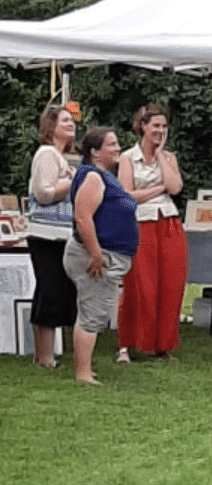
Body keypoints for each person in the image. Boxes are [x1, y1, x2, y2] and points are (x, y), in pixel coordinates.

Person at [63, 127, 138, 384]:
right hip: (96, 255)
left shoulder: (104, 177)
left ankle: (85, 370)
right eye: (112, 144)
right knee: (92, 313)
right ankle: (83, 374)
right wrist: (95, 255)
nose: (118, 148)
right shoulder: (94, 178)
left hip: (106, 254)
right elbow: (83, 217)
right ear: (95, 152)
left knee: (95, 311)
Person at [116, 104, 188, 361]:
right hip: (139, 224)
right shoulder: (127, 157)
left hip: (168, 222)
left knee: (170, 285)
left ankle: (163, 344)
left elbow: (175, 187)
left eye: (164, 126)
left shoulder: (168, 158)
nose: (159, 130)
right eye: (155, 125)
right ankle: (128, 343)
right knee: (139, 284)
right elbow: (127, 196)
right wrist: (159, 189)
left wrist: (159, 154)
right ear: (143, 126)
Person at [27, 105, 77, 368]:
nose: (72, 124)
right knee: (50, 290)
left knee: (56, 290)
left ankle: (44, 354)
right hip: (47, 235)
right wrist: (74, 180)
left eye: (72, 121)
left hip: (59, 234)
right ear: (51, 126)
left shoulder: (60, 156)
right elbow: (44, 194)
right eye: (65, 120)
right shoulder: (47, 154)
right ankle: (44, 355)